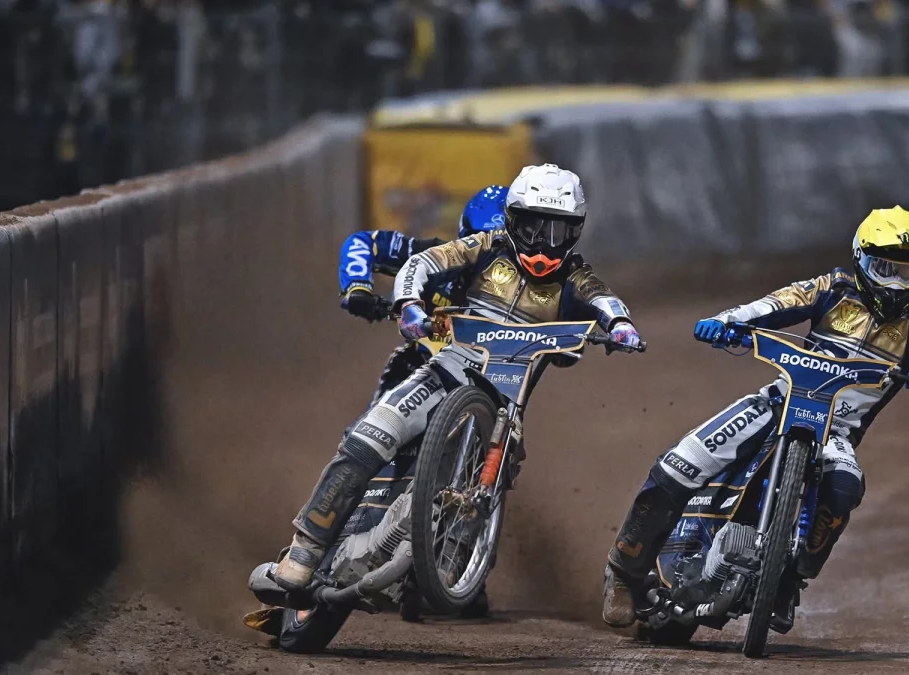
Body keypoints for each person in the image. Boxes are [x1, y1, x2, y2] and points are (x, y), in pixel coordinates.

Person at [271, 163, 643, 591]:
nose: (544, 243)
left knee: (499, 472)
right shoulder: (483, 247)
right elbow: (420, 261)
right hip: (441, 370)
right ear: (510, 222)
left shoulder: (575, 277)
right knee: (370, 434)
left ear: (575, 231)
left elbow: (602, 299)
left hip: (504, 402)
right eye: (534, 228)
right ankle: (307, 547)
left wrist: (621, 325)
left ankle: (461, 565)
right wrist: (405, 303)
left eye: (557, 231)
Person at [602, 206, 909, 634]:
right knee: (678, 464)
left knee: (845, 485)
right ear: (861, 259)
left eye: (908, 272)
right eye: (885, 268)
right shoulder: (831, 289)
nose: (895, 283)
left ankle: (789, 580)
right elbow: (773, 304)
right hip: (776, 403)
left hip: (836, 432)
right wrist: (725, 321)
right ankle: (623, 574)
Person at [339, 184, 509, 403]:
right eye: (479, 238)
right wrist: (358, 287)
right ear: (464, 234)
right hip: (422, 362)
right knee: (394, 383)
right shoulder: (438, 256)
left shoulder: (533, 288)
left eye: (500, 245)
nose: (487, 252)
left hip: (492, 381)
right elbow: (364, 242)